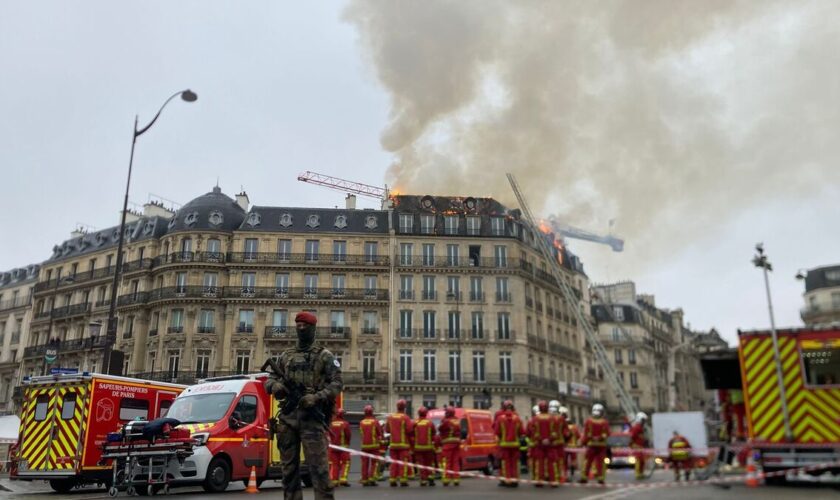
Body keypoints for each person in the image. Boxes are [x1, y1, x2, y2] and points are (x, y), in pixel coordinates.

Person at [263, 312, 343, 500]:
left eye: (304, 326)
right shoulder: (286, 355)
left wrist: (316, 397)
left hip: (312, 421)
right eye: (298, 325)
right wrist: (276, 387)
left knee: (319, 470)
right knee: (288, 472)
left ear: (313, 329)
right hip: (288, 418)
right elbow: (270, 380)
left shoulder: (324, 356)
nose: (301, 329)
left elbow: (337, 383)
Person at [527, 400, 559, 487]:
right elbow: (555, 432)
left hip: (539, 444)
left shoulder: (535, 419)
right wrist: (549, 439)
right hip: (550, 444)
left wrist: (541, 439)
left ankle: (539, 480)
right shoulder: (553, 418)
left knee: (539, 463)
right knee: (552, 463)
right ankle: (554, 481)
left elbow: (533, 432)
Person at [494, 400, 524, 487]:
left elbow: (496, 430)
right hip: (515, 444)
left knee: (504, 463)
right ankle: (515, 480)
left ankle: (506, 480)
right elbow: (522, 432)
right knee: (515, 463)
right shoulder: (517, 417)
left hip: (503, 444)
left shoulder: (499, 416)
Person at [579, 403, 609, 485]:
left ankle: (584, 477)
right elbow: (607, 433)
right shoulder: (604, 422)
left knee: (587, 462)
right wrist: (599, 438)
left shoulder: (589, 421)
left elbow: (586, 434)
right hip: (601, 445)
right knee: (600, 463)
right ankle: (601, 478)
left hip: (591, 444)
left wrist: (583, 443)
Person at [386, 399, 414, 487]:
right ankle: (403, 480)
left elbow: (387, 430)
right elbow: (410, 430)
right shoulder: (405, 417)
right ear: (404, 407)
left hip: (393, 444)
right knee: (403, 463)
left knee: (394, 463)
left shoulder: (390, 417)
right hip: (403, 445)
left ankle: (392, 480)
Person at [358, 405, 383, 486]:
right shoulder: (375, 421)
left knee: (364, 463)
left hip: (364, 446)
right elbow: (380, 433)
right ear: (372, 412)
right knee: (374, 463)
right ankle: (372, 478)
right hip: (374, 446)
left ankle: (364, 480)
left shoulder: (361, 422)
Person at [413, 407, 437, 486]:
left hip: (418, 447)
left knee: (421, 464)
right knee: (429, 463)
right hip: (428, 447)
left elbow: (410, 433)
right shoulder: (430, 423)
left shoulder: (415, 422)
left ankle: (423, 480)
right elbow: (434, 434)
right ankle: (430, 478)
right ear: (426, 413)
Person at [438, 407, 462, 486]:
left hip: (448, 443)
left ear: (448, 413)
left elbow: (440, 428)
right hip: (457, 443)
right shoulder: (457, 420)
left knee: (447, 461)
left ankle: (446, 478)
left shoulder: (446, 421)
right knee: (455, 461)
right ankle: (456, 479)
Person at [328, 408, 351, 487]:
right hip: (343, 447)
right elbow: (348, 435)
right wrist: (347, 444)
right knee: (346, 463)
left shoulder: (331, 423)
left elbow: (328, 435)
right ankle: (343, 479)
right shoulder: (345, 423)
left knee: (335, 464)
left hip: (333, 447)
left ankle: (334, 480)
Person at [560, 407, 578, 480]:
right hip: (573, 446)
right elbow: (578, 436)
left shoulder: (561, 424)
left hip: (564, 445)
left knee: (564, 461)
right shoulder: (574, 427)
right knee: (573, 459)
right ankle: (572, 467)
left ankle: (564, 475)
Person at [629, 412, 648, 480]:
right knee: (639, 460)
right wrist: (632, 445)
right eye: (643, 420)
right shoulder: (636, 427)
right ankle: (637, 474)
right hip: (637, 447)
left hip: (640, 447)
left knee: (642, 461)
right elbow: (631, 436)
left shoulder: (640, 428)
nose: (644, 422)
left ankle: (641, 473)